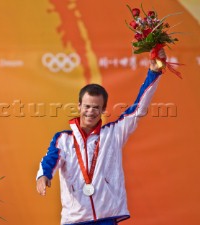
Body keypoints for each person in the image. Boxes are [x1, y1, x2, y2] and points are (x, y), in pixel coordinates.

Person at [36, 49, 167, 225]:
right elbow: (50, 160)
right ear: (79, 106)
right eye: (87, 106)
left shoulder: (114, 133)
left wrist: (154, 72)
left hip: (106, 216)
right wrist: (43, 176)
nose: (91, 112)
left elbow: (138, 109)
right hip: (75, 218)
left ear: (103, 109)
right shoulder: (63, 139)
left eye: (96, 107)